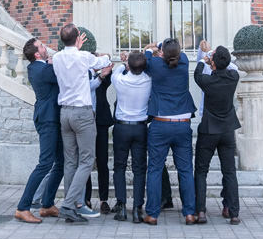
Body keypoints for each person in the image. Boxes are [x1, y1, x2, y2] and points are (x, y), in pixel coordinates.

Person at [53, 23, 113, 224]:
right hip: (82, 113)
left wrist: (75, 44)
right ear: (78, 39)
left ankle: (75, 203)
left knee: (70, 161)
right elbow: (103, 60)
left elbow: (70, 55)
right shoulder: (84, 57)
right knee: (87, 160)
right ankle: (69, 204)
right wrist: (84, 48)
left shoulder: (57, 57)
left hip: (65, 113)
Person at [142, 39, 198, 225]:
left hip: (160, 123)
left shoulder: (155, 64)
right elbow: (173, 53)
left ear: (162, 53)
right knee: (185, 170)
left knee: (155, 169)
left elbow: (146, 58)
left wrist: (150, 50)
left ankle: (152, 214)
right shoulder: (183, 61)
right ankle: (189, 213)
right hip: (182, 123)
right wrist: (161, 49)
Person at [13, 38, 64, 223]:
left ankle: (47, 205)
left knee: (61, 163)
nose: (45, 47)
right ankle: (22, 207)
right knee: (45, 164)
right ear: (37, 54)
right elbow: (62, 75)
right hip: (47, 120)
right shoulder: (40, 69)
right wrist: (54, 62)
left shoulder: (42, 67)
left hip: (53, 119)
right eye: (42, 46)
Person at [193, 45, 242, 224]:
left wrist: (204, 59)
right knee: (229, 171)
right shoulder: (233, 77)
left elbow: (197, 73)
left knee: (201, 171)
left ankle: (201, 211)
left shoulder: (207, 81)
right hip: (227, 130)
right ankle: (234, 212)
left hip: (208, 130)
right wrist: (217, 59)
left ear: (213, 63)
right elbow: (233, 67)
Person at [110, 50, 152, 222]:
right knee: (139, 169)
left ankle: (121, 206)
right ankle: (137, 208)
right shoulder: (149, 80)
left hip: (122, 127)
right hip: (140, 127)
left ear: (129, 65)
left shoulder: (120, 79)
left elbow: (116, 70)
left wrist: (124, 63)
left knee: (119, 167)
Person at [85, 63, 113, 213]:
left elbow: (108, 80)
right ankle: (86, 198)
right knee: (85, 162)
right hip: (84, 120)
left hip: (101, 121)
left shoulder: (100, 74)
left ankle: (104, 199)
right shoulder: (81, 73)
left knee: (102, 161)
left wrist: (103, 71)